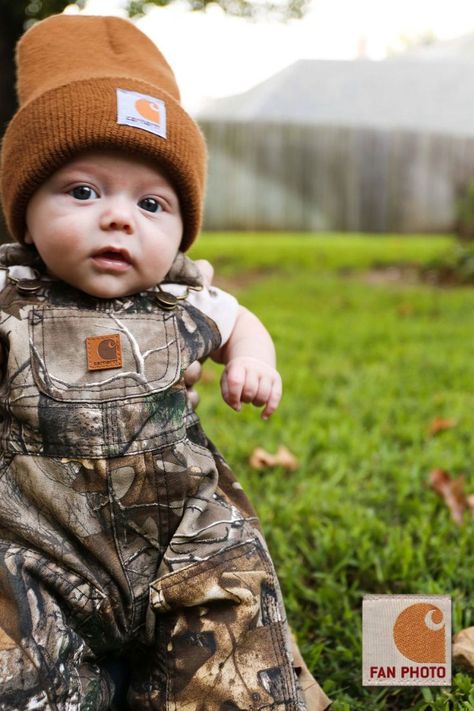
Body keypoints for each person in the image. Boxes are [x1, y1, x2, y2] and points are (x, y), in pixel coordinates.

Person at [0, 13, 331, 711]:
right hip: (35, 548)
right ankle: (79, 675)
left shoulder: (188, 296)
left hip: (184, 541)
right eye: (83, 191)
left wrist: (253, 360)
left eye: (151, 202)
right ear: (25, 212)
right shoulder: (9, 297)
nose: (119, 217)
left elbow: (241, 322)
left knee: (240, 653)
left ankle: (178, 676)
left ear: (181, 228)